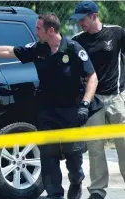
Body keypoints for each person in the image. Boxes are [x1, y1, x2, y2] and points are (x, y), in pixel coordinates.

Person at [0, 13, 101, 199]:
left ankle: (76, 181)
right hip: (47, 110)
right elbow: (9, 51)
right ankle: (54, 194)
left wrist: (85, 104)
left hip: (71, 110)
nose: (35, 32)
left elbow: (92, 77)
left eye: (38, 28)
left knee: (73, 155)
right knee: (48, 155)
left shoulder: (73, 49)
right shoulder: (38, 48)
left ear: (50, 30)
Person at [70, 1, 125, 199]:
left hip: (117, 96)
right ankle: (97, 191)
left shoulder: (117, 33)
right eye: (78, 21)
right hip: (92, 101)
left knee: (124, 145)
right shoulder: (77, 40)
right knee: (95, 148)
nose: (80, 24)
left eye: (83, 19)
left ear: (94, 16)